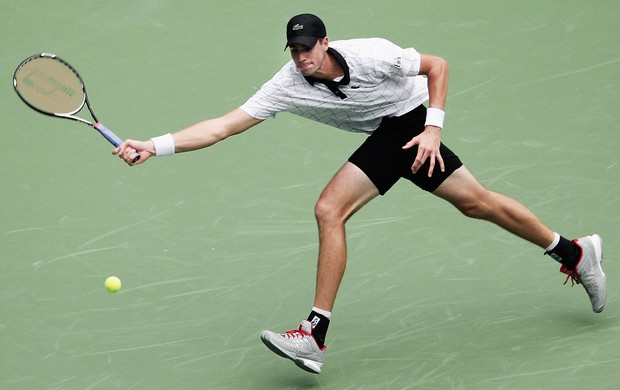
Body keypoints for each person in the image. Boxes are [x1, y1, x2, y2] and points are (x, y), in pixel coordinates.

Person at [114, 13, 607, 374]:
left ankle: (313, 333)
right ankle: (575, 251)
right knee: (476, 202)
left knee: (330, 208)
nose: (303, 57)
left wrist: (433, 128)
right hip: (390, 134)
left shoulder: (372, 54)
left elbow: (438, 65)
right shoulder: (288, 84)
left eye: (310, 47)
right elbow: (223, 126)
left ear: (326, 42)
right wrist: (154, 147)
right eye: (295, 49)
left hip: (412, 122)